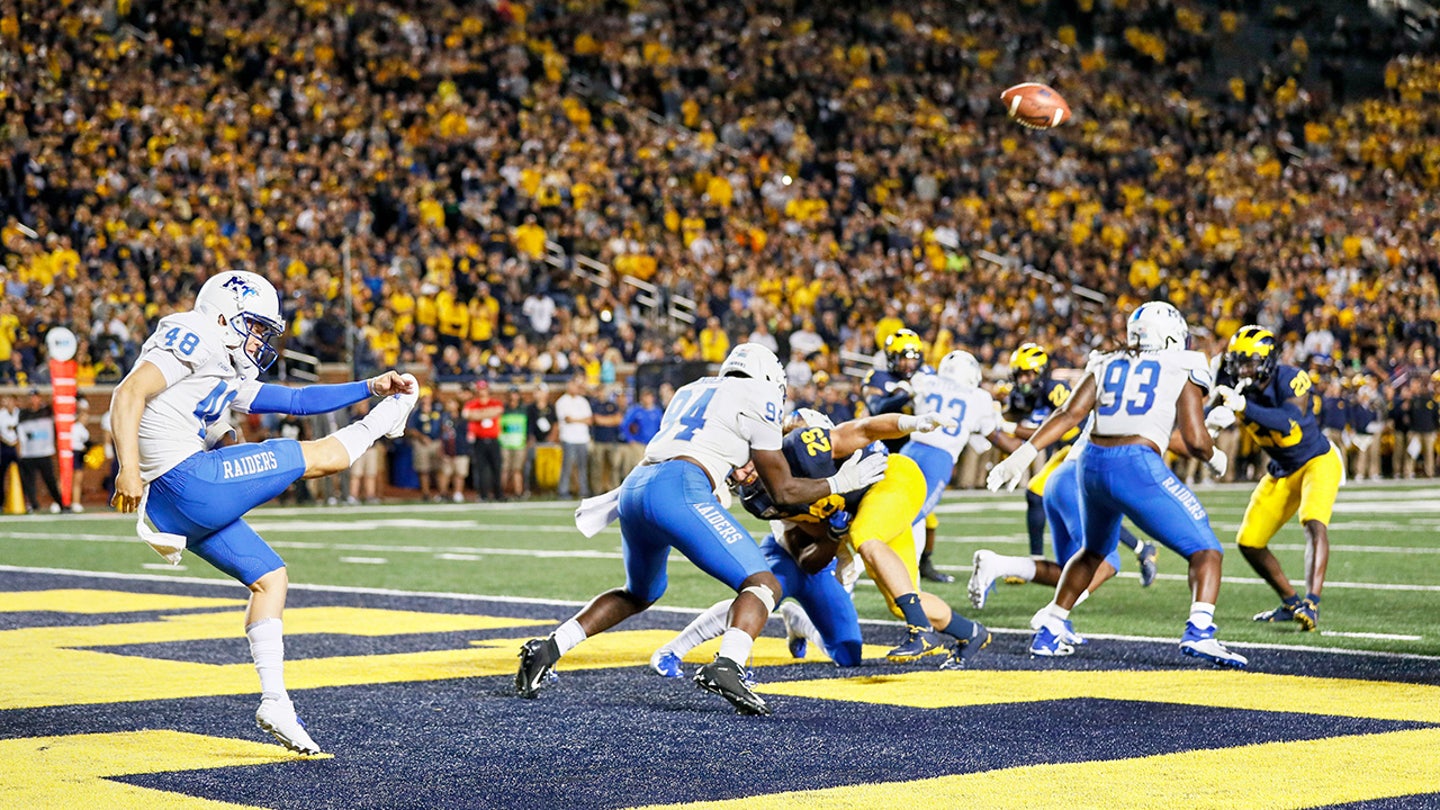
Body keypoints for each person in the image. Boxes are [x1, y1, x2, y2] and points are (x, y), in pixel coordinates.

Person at [109, 270, 418, 755]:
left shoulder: (223, 363)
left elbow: (297, 400)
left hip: (178, 499)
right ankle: (387, 423)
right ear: (225, 316)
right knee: (319, 458)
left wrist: (371, 386)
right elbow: (128, 392)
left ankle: (275, 701)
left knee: (270, 578)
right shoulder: (199, 335)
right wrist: (128, 466)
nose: (262, 338)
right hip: (187, 481)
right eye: (256, 326)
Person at [514, 343, 887, 715]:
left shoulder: (690, 390)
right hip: (679, 488)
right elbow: (784, 489)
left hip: (636, 487)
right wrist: (842, 481)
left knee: (640, 592)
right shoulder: (758, 394)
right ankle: (729, 665)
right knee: (763, 584)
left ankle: (548, 647)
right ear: (769, 378)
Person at [989, 301, 1246, 668]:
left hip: (1089, 466)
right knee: (1207, 549)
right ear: (1172, 335)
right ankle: (1201, 630)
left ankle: (1050, 626)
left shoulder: (1105, 360)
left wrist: (1024, 454)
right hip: (1136, 465)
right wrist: (1216, 455)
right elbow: (1194, 437)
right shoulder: (1185, 363)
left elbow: (1070, 414)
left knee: (1093, 553)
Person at [651, 406, 975, 675]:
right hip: (795, 557)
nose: (739, 474)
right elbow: (806, 556)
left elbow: (863, 429)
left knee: (850, 653)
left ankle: (803, 622)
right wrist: (835, 535)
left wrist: (910, 422)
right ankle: (674, 649)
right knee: (761, 593)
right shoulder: (763, 495)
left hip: (881, 498)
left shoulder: (804, 449)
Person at [1206, 325, 1343, 632]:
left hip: (1316, 462)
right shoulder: (1233, 384)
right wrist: (1210, 421)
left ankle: (1312, 603)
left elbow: (1287, 421)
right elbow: (1206, 417)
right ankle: (1290, 602)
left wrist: (1243, 407)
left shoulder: (1290, 378)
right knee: (1249, 541)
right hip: (1281, 469)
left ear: (1267, 360)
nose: (1242, 368)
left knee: (1313, 522)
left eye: (1250, 361)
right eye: (1238, 361)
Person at [999, 342, 1158, 586]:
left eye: (1029, 373)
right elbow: (1015, 413)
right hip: (1063, 453)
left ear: (1041, 372)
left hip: (1076, 450)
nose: (1024, 379)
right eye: (1020, 374)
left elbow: (1057, 424)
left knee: (1046, 497)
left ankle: (1036, 560)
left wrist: (1005, 426)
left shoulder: (1055, 388)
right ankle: (1140, 548)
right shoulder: (1024, 393)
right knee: (1077, 508)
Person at [862, 328, 948, 583]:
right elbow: (876, 407)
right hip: (884, 450)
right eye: (903, 356)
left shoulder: (927, 376)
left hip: (915, 452)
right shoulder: (878, 377)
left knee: (926, 515)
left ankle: (924, 563)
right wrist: (906, 393)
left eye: (913, 356)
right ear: (891, 357)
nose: (909, 362)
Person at [17, 388, 65, 513]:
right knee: (29, 482)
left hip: (44, 452)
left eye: (36, 397)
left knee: (50, 480)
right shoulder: (23, 414)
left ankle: (60, 503)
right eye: (31, 397)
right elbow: (21, 433)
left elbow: (55, 405)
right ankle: (33, 504)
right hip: (29, 453)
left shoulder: (46, 411)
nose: (33, 399)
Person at [463, 379, 504, 501]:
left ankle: (498, 494)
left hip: (493, 439)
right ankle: (483, 494)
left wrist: (478, 415)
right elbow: (467, 415)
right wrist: (486, 413)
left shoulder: (495, 402)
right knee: (481, 468)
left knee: (496, 467)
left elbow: (498, 411)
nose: (482, 391)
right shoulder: (472, 403)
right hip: (479, 440)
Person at [554, 373, 593, 499]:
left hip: (583, 438)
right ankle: (563, 491)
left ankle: (583, 490)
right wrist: (581, 420)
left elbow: (589, 420)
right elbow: (567, 419)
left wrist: (575, 420)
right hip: (568, 438)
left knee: (583, 466)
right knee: (567, 465)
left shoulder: (583, 401)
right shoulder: (562, 401)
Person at [405, 387, 444, 501]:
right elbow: (410, 429)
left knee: (439, 468)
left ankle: (442, 492)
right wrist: (421, 437)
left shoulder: (437, 410)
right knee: (423, 469)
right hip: (421, 443)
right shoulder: (416, 412)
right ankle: (426, 493)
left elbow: (444, 425)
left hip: (436, 441)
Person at [589, 386, 627, 491]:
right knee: (597, 467)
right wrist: (610, 420)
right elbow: (596, 420)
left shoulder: (612, 405)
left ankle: (613, 489)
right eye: (600, 391)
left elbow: (618, 420)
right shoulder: (594, 405)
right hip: (598, 440)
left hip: (611, 440)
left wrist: (603, 421)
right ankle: (597, 490)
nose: (602, 394)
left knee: (614, 467)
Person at [619, 386, 663, 471]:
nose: (646, 399)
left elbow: (661, 427)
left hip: (652, 444)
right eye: (644, 396)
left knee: (652, 468)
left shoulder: (657, 412)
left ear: (652, 398)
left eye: (648, 396)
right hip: (639, 444)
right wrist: (630, 439)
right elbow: (624, 425)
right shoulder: (636, 410)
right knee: (639, 467)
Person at [440, 397, 472, 503]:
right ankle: (443, 493)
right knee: (445, 472)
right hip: (447, 448)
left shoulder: (463, 418)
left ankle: (458, 493)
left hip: (461, 448)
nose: (449, 405)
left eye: (451, 402)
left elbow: (467, 433)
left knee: (460, 473)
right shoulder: (444, 417)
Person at [499, 387, 529, 498]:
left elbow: (528, 427)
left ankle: (518, 492)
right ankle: (501, 492)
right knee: (504, 469)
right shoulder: (503, 409)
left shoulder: (524, 409)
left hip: (519, 444)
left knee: (517, 469)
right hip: (504, 443)